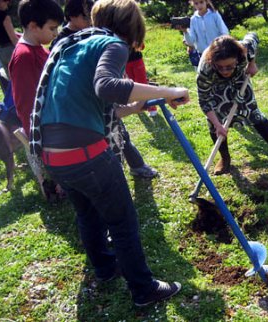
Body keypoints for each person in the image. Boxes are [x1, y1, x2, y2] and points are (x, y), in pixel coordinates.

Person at [29, 0, 189, 306]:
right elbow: (108, 86)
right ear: (131, 29)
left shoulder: (72, 45)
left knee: (87, 213)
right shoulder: (113, 44)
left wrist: (139, 104)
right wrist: (168, 91)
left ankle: (104, 268)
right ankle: (144, 289)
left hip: (53, 157)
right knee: (123, 222)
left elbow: (100, 106)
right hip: (85, 156)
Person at [49, 0, 158, 179]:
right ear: (72, 17)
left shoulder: (91, 38)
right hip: (84, 118)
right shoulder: (71, 41)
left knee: (120, 134)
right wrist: (167, 92)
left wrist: (131, 100)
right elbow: (106, 87)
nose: (90, 22)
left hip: (88, 116)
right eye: (85, 17)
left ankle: (135, 165)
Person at [197, 33, 268, 174]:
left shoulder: (244, 50)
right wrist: (217, 125)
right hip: (216, 86)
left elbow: (253, 36)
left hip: (240, 80)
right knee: (215, 122)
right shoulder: (206, 69)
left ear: (238, 57)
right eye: (220, 67)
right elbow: (204, 100)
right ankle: (225, 158)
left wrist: (252, 63)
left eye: (229, 66)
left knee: (254, 114)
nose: (225, 70)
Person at [8, 0, 64, 196]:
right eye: (52, 28)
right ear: (33, 26)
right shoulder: (24, 56)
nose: (55, 33)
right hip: (45, 127)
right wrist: (36, 135)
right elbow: (25, 103)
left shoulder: (39, 47)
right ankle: (52, 186)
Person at [175, 0, 228, 68]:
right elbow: (191, 41)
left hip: (217, 52)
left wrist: (223, 47)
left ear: (206, 2)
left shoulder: (214, 15)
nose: (199, 5)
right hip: (202, 54)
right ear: (193, 4)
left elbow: (224, 32)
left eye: (201, 2)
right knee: (204, 77)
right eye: (196, 3)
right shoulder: (193, 19)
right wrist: (185, 31)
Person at [125, 45, 158, 117]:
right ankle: (137, 106)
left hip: (137, 60)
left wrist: (136, 44)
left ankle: (152, 108)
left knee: (143, 84)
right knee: (132, 85)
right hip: (125, 62)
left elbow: (142, 46)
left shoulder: (134, 34)